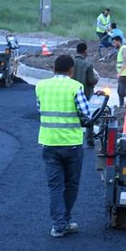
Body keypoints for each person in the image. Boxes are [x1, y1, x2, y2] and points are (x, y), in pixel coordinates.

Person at [35, 55, 92, 238]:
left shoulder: (41, 86)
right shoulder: (75, 87)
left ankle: (58, 225)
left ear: (53, 69)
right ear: (71, 71)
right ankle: (64, 221)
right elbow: (86, 113)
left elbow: (40, 108)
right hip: (71, 144)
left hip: (49, 143)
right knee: (71, 184)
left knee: (55, 186)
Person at [72, 42, 99, 147]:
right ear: (85, 51)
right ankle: (89, 140)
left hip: (72, 93)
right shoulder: (88, 64)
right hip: (86, 94)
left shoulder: (71, 63)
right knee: (89, 117)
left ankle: (73, 139)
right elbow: (91, 80)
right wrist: (96, 79)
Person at [113, 35, 126, 107]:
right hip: (123, 74)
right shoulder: (121, 49)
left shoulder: (124, 49)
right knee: (119, 91)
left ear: (118, 41)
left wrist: (120, 72)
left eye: (114, 42)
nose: (114, 44)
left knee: (122, 92)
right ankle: (121, 106)